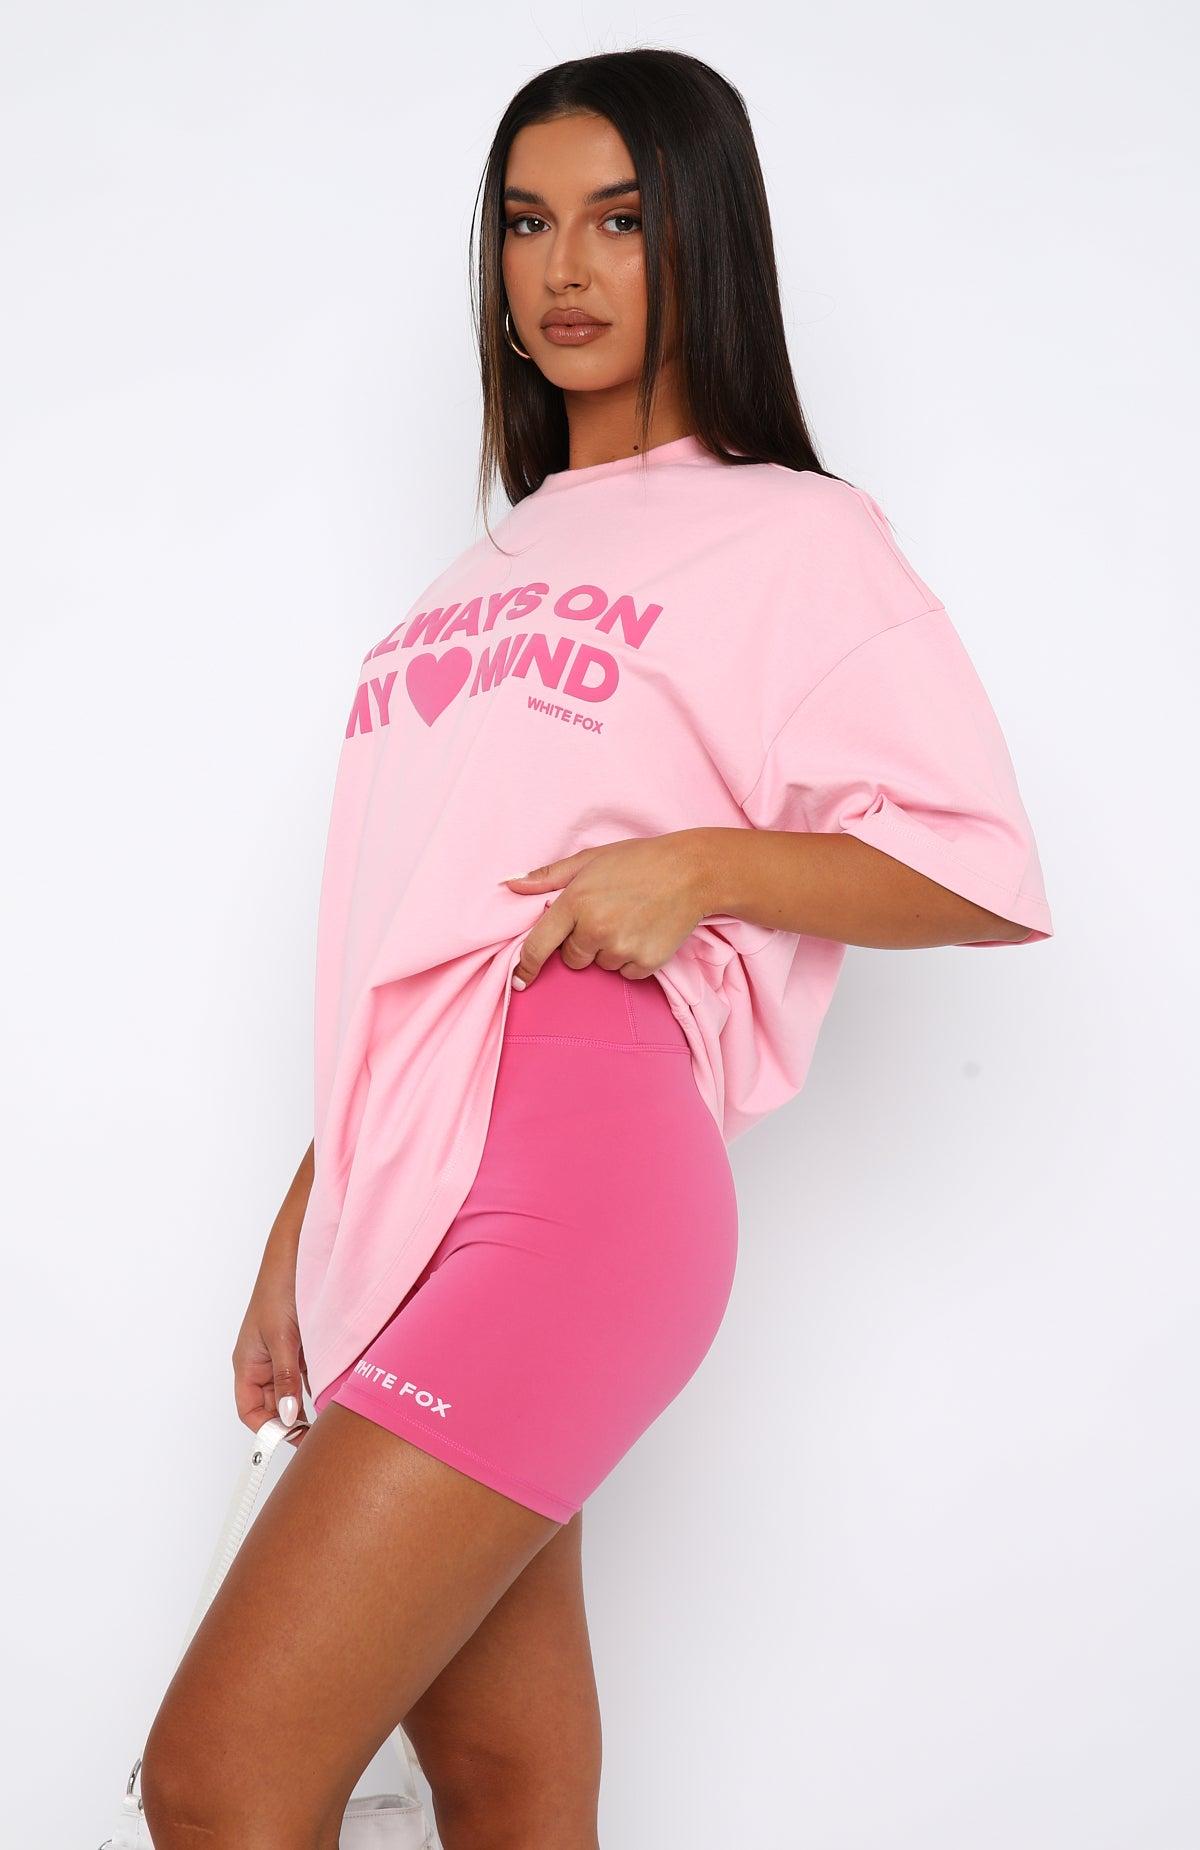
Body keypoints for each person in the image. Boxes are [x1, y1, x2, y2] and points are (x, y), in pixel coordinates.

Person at [139, 47, 1053, 1850]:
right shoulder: (471, 580)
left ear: (705, 237)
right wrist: (308, 1218)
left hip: (583, 1177)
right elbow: (423, 935)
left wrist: (698, 867)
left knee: (219, 1781)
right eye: (527, 222)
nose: (564, 268)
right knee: (506, 1787)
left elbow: (981, 865)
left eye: (622, 222)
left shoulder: (793, 531)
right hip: (408, 1171)